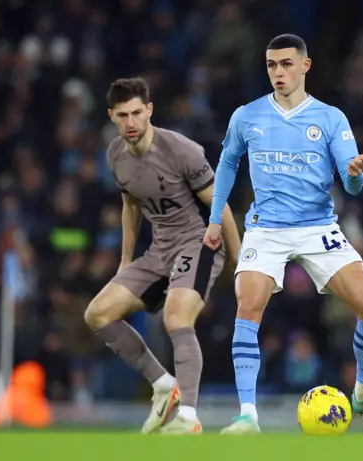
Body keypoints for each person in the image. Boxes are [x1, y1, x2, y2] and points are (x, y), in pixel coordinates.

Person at [203, 34, 363, 434]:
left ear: (305, 66)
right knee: (247, 307)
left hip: (318, 227)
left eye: (285, 64)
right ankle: (248, 415)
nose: (277, 72)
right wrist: (216, 218)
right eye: (270, 65)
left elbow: (352, 182)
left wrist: (354, 177)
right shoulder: (246, 116)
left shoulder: (330, 118)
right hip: (266, 229)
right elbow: (227, 165)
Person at [84, 77, 240, 434]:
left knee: (175, 317)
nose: (132, 122)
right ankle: (162, 383)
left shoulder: (181, 150)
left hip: (198, 242)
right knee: (98, 314)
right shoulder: (114, 156)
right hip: (158, 251)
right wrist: (126, 260)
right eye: (123, 115)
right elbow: (130, 205)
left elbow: (220, 203)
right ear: (112, 116)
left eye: (138, 113)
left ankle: (188, 416)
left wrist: (238, 257)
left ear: (150, 110)